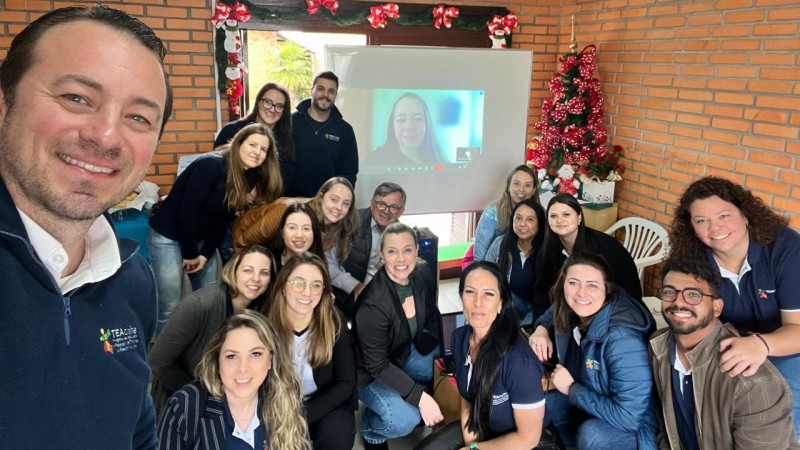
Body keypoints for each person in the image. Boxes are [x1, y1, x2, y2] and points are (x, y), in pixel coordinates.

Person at [0, 5, 172, 448]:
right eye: (77, 98)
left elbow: (137, 423)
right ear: (5, 101)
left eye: (138, 117)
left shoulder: (132, 281)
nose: (107, 135)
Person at [669, 175, 800, 437]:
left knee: (783, 405)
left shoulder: (785, 247)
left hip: (787, 347)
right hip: (729, 344)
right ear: (692, 228)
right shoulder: (692, 259)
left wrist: (761, 345)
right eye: (701, 221)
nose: (715, 228)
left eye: (724, 216)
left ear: (746, 215)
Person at [650, 258, 799, 450]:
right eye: (669, 292)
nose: (679, 302)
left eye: (693, 295)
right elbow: (665, 425)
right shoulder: (657, 347)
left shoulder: (754, 382)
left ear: (717, 307)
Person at [149, 122, 282, 333]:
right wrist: (191, 253)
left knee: (212, 299)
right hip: (169, 235)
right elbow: (187, 211)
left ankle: (204, 348)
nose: (257, 152)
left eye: (263, 149)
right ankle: (160, 361)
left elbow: (223, 217)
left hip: (200, 237)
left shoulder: (248, 175)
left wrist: (205, 253)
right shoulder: (211, 165)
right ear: (239, 143)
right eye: (252, 145)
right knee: (170, 306)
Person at [528, 253, 657, 449]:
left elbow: (630, 417)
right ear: (563, 284)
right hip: (590, 400)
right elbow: (556, 308)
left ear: (607, 289)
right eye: (573, 283)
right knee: (538, 406)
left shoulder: (622, 340)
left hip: (633, 429)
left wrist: (572, 389)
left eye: (592, 285)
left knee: (591, 436)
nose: (581, 293)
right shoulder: (576, 308)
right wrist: (541, 330)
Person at [416, 261, 546, 450]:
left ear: (501, 302)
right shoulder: (460, 339)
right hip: (483, 428)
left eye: (488, 294)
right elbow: (468, 397)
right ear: (461, 296)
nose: (478, 302)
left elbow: (528, 439)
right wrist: (472, 444)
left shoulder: (520, 362)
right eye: (470, 292)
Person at [157, 310, 311, 450]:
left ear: (270, 359)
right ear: (217, 361)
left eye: (255, 354)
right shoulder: (185, 406)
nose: (243, 368)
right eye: (232, 356)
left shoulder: (287, 395)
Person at [148, 245, 275, 414]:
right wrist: (202, 397)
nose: (256, 278)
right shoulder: (199, 305)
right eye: (248, 270)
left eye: (264, 273)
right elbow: (157, 362)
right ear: (233, 270)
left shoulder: (261, 313)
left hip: (230, 402)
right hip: (185, 401)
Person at [352, 222, 443, 449]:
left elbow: (432, 314)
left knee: (440, 364)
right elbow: (377, 366)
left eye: (407, 250)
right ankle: (370, 428)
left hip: (401, 351)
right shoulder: (373, 304)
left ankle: (408, 390)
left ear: (416, 251)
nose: (401, 259)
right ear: (382, 255)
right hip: (370, 371)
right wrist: (421, 397)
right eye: (392, 251)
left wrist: (429, 353)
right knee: (405, 420)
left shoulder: (422, 273)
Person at [268, 253, 357, 450]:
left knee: (338, 432)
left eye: (316, 285)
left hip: (323, 401)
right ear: (283, 286)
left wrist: (302, 416)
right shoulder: (265, 323)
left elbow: (346, 382)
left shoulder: (334, 321)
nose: (307, 292)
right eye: (298, 282)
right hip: (278, 403)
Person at [535, 193, 643, 309]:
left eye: (566, 214)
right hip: (570, 310)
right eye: (553, 216)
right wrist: (540, 324)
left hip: (615, 309)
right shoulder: (547, 248)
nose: (559, 220)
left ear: (579, 217)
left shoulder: (606, 247)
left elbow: (627, 291)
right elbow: (541, 291)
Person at [329, 182, 406, 319]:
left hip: (385, 302)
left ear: (401, 211)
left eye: (393, 207)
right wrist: (355, 286)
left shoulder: (403, 236)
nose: (386, 211)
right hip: (347, 299)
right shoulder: (349, 222)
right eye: (381, 204)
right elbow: (329, 264)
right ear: (372, 204)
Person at [288, 71, 358, 197]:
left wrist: (339, 199)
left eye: (331, 91)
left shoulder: (345, 131)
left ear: (336, 95)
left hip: (327, 203)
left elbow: (350, 173)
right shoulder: (290, 122)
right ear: (311, 90)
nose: (325, 95)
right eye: (321, 89)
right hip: (291, 201)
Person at [214, 82, 296, 189]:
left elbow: (288, 177)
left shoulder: (286, 139)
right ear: (258, 102)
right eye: (267, 102)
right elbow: (218, 169)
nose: (272, 109)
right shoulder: (231, 130)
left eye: (279, 106)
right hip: (231, 197)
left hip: (269, 200)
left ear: (284, 111)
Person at [485, 198, 546, 324]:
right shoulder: (500, 244)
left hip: (538, 312)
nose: (522, 224)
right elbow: (486, 277)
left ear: (540, 223)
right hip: (507, 309)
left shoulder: (547, 250)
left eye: (530, 219)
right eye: (518, 218)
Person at [473, 165, 538, 261]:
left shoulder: (540, 215)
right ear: (508, 187)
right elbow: (479, 256)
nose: (521, 189)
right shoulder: (492, 212)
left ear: (533, 190)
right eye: (516, 184)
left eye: (527, 185)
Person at [365, 92, 444, 166]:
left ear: (427, 124)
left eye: (417, 119)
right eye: (401, 120)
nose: (409, 127)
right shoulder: (374, 161)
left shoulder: (439, 159)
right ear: (392, 125)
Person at [271, 202, 325, 274]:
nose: (299, 235)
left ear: (314, 233)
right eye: (292, 227)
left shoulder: (320, 265)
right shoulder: (269, 262)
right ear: (282, 232)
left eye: (306, 228)